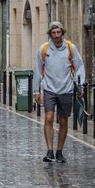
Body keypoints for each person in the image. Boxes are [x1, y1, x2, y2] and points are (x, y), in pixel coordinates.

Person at [35, 21, 85, 163]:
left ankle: (59, 151)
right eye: (53, 33)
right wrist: (36, 91)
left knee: (63, 120)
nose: (56, 36)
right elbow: (37, 70)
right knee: (49, 117)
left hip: (66, 89)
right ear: (50, 34)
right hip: (50, 89)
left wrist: (80, 85)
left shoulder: (70, 48)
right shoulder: (44, 49)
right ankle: (49, 151)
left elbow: (79, 67)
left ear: (62, 33)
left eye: (58, 32)